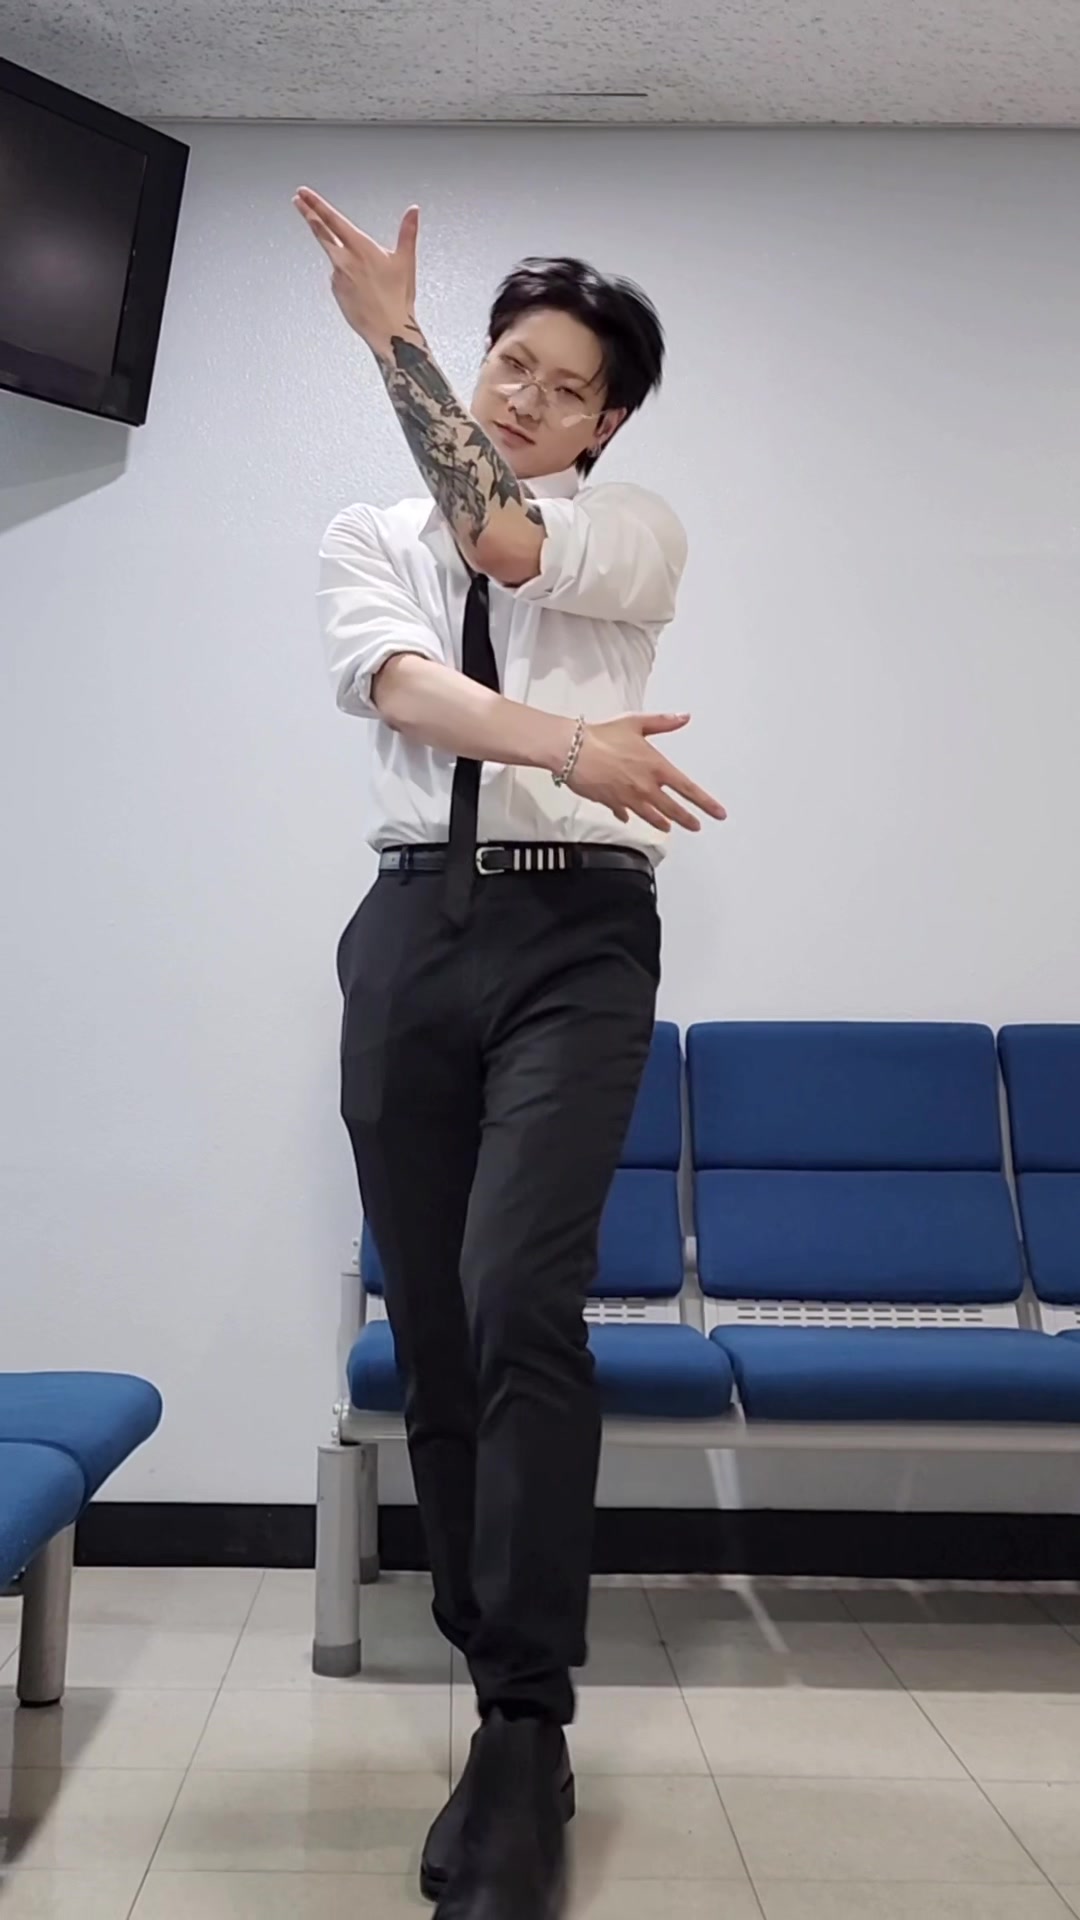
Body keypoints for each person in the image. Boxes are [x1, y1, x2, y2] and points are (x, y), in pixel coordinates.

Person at [295, 186, 725, 1920]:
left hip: (578, 936)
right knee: (436, 1319)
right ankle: (492, 1676)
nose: (530, 399)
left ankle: (528, 1729)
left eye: (567, 387)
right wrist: (567, 739)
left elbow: (503, 544)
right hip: (412, 930)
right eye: (509, 365)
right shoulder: (362, 529)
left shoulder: (634, 534)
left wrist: (382, 333)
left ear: (606, 423)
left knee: (519, 1292)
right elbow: (405, 690)